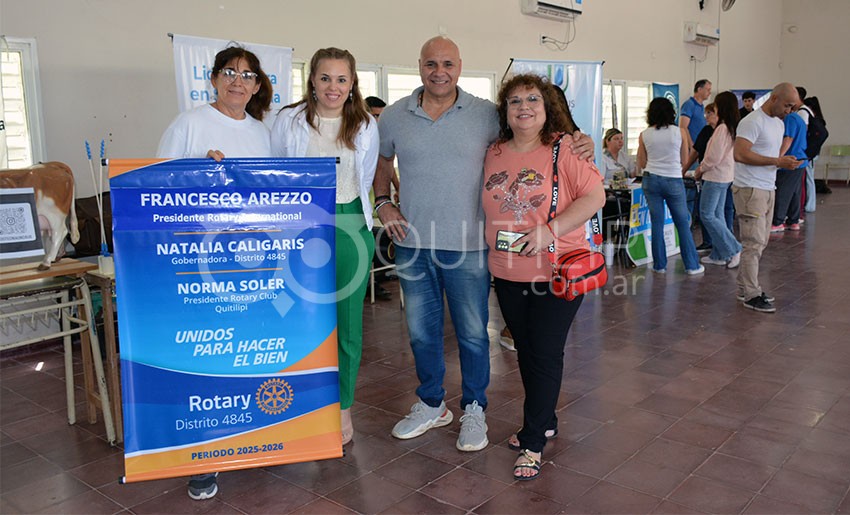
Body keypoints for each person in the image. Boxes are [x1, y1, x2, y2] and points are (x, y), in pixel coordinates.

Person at [373, 36, 593, 453]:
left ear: (460, 66)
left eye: (448, 64)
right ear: (419, 65)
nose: (440, 71)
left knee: (474, 334)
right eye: (431, 63)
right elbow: (383, 162)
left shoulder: (486, 114)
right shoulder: (396, 116)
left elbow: (534, 132)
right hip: (412, 243)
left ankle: (474, 407)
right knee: (421, 333)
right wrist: (384, 203)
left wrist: (579, 141)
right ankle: (431, 402)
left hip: (471, 245)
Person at [157, 45, 273, 501]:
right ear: (212, 78)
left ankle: (250, 441)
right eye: (229, 72)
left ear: (258, 86)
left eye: (247, 75)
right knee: (206, 361)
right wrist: (197, 176)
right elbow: (158, 186)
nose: (237, 81)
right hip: (199, 265)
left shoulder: (263, 133)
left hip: (253, 262)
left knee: (248, 354)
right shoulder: (188, 123)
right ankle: (203, 459)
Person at [483, 73, 604, 480]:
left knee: (546, 351)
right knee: (527, 351)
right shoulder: (494, 152)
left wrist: (550, 231)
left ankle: (533, 441)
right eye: (514, 100)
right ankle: (545, 418)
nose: (523, 107)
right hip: (508, 270)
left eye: (532, 99)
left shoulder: (563, 149)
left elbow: (595, 196)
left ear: (546, 105)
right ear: (505, 110)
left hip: (556, 270)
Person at [271, 47, 378, 447]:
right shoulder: (288, 120)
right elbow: (275, 171)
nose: (333, 87)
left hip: (349, 221)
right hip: (301, 225)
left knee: (348, 324)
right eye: (325, 78)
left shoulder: (364, 123)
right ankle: (301, 404)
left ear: (352, 84)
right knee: (300, 317)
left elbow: (364, 178)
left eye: (341, 79)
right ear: (312, 80)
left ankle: (342, 405)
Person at [732, 83, 802, 313]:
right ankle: (751, 294)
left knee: (759, 242)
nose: (789, 110)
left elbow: (770, 154)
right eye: (787, 105)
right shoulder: (752, 122)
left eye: (793, 106)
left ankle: (745, 287)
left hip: (767, 187)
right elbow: (740, 154)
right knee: (753, 243)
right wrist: (776, 162)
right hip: (750, 189)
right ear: (774, 99)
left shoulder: (778, 123)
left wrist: (782, 160)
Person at [637, 98, 704, 275]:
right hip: (673, 179)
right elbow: (684, 160)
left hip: (650, 180)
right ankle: (692, 265)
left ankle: (659, 265)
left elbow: (642, 162)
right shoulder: (680, 132)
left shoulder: (644, 134)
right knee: (682, 223)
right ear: (671, 112)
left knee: (656, 223)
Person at [695, 91, 742, 268]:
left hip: (715, 176)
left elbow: (713, 157)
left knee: (707, 214)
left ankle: (733, 247)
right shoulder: (729, 127)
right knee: (717, 215)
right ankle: (719, 254)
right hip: (724, 176)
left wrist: (700, 169)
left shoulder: (722, 129)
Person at [682, 102, 718, 253]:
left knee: (719, 212)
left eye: (710, 113)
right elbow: (695, 151)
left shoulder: (725, 131)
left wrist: (700, 169)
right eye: (706, 113)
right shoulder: (706, 130)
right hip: (706, 176)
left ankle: (723, 243)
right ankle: (708, 241)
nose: (707, 117)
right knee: (706, 211)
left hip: (720, 177)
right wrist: (685, 169)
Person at [771, 101, 808, 232]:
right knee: (794, 193)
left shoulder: (790, 119)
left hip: (790, 161)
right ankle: (793, 220)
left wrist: (778, 159)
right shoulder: (798, 118)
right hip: (800, 160)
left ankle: (777, 221)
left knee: (782, 191)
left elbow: (788, 139)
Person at [680, 79, 713, 151]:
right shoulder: (689, 105)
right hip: (691, 148)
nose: (710, 93)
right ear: (700, 89)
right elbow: (683, 127)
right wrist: (691, 145)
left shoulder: (701, 106)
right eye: (708, 90)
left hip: (699, 147)